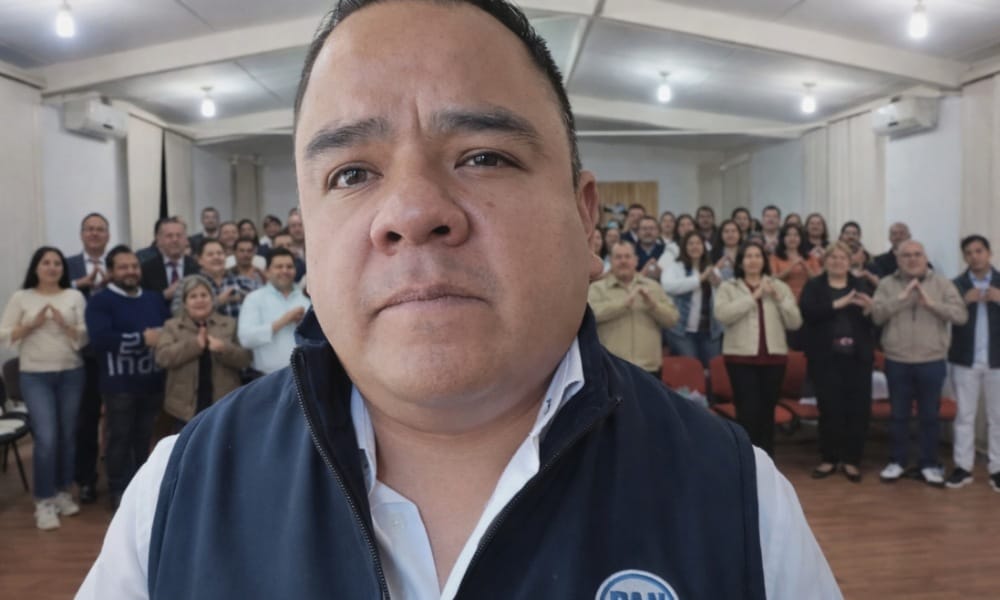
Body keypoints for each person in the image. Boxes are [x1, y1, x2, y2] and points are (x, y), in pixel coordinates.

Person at [79, 2, 840, 598]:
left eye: (484, 156)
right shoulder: (178, 494)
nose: (413, 211)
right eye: (351, 174)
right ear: (307, 240)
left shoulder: (738, 499)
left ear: (585, 219)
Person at [0, 247, 87, 530]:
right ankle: (44, 500)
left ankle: (63, 491)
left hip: (71, 373)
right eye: (46, 262)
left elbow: (85, 336)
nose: (52, 267)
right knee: (47, 438)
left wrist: (65, 325)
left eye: (57, 263)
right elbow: (4, 334)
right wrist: (30, 325)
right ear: (36, 267)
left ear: (63, 268)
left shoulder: (74, 296)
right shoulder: (22, 297)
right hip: (35, 376)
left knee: (67, 436)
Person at [872, 240, 967, 486]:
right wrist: (901, 299)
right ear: (898, 259)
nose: (912, 259)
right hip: (897, 360)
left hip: (931, 360)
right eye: (906, 255)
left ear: (925, 258)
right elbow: (876, 315)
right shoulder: (887, 284)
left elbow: (960, 315)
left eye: (917, 254)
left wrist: (931, 304)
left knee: (929, 416)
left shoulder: (942, 284)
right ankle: (897, 461)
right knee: (898, 415)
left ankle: (929, 464)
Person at [86, 245, 170, 509]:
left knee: (144, 437)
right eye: (123, 267)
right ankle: (119, 489)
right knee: (119, 438)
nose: (131, 271)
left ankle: (140, 489)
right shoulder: (100, 301)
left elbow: (167, 331)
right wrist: (142, 339)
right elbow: (100, 340)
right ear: (111, 272)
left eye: (134, 266)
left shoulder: (154, 298)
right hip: (119, 385)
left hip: (152, 381)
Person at [715, 241, 803, 456]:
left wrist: (778, 298)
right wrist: (753, 297)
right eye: (748, 256)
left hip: (774, 358)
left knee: (767, 411)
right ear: (741, 262)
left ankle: (767, 459)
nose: (753, 260)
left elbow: (795, 322)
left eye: (757, 256)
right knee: (747, 411)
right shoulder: (729, 287)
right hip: (740, 358)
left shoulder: (779, 286)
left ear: (764, 260)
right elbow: (723, 315)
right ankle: (747, 457)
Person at [798, 242, 876, 482]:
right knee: (830, 409)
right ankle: (829, 458)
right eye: (833, 257)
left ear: (850, 261)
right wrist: (837, 305)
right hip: (826, 358)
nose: (838, 261)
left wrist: (870, 310)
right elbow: (808, 313)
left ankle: (852, 460)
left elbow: (873, 321)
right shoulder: (814, 285)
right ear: (825, 261)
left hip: (857, 358)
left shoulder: (860, 285)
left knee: (858, 410)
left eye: (842, 258)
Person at [156, 276, 252, 426]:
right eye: (193, 296)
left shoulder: (230, 324)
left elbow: (246, 359)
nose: (199, 300)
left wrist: (224, 349)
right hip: (183, 407)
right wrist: (195, 345)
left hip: (222, 404)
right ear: (185, 303)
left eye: (204, 295)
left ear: (212, 299)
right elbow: (162, 358)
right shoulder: (171, 326)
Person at [946, 235, 1000, 491]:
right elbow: (944, 314)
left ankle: (997, 468)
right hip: (964, 359)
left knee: (998, 417)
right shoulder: (956, 285)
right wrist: (963, 301)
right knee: (964, 416)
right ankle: (963, 467)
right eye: (969, 252)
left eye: (979, 251)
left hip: (997, 360)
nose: (974, 256)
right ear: (964, 257)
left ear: (989, 253)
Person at [65, 212, 111, 504]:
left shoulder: (117, 263)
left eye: (100, 229)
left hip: (115, 351)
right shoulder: (67, 265)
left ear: (108, 235)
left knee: (119, 417)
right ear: (82, 234)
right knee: (86, 419)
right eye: (89, 229)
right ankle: (85, 480)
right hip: (80, 354)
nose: (95, 233)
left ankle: (120, 475)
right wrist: (79, 283)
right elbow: (50, 292)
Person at [590, 240, 678, 376]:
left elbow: (672, 320)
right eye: (618, 257)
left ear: (636, 260)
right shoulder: (597, 289)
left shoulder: (653, 287)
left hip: (649, 369)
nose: (623, 261)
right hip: (612, 369)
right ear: (611, 261)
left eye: (627, 256)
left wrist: (653, 306)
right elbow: (591, 316)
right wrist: (623, 304)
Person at [237, 247, 311, 375]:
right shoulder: (254, 299)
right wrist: (282, 321)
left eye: (289, 266)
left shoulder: (306, 300)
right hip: (267, 377)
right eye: (279, 267)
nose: (285, 271)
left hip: (305, 375)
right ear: (267, 272)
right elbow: (246, 339)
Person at [661, 231, 721, 367]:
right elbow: (668, 286)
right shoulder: (675, 267)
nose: (695, 247)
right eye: (691, 243)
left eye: (698, 243)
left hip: (710, 331)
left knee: (713, 370)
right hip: (682, 331)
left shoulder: (712, 269)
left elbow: (720, 297)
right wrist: (700, 279)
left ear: (704, 247)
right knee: (691, 369)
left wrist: (717, 284)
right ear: (684, 247)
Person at [173, 239, 259, 319]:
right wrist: (217, 302)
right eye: (210, 254)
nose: (216, 257)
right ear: (199, 260)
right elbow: (177, 313)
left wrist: (247, 298)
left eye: (220, 253)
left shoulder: (245, 282)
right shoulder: (187, 284)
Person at [140, 217, 200, 308]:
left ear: (186, 240)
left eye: (179, 235)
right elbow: (142, 302)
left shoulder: (197, 267)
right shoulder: (146, 269)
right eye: (169, 236)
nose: (175, 240)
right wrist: (164, 295)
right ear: (158, 240)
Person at [770, 223, 821, 301]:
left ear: (801, 238)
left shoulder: (811, 257)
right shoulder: (775, 257)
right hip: (784, 298)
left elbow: (818, 280)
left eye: (796, 235)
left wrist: (805, 265)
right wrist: (791, 266)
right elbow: (774, 280)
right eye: (788, 235)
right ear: (782, 238)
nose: (792, 238)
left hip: (807, 297)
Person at [634, 215, 665, 282]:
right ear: (637, 232)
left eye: (652, 228)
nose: (648, 232)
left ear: (658, 232)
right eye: (644, 229)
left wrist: (662, 274)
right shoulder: (630, 251)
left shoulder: (666, 251)